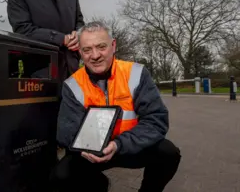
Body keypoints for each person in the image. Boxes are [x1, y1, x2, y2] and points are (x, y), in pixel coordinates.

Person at [51, 21, 181, 192]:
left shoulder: (136, 73)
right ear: (80, 53)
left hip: (130, 146)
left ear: (113, 45)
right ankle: (99, 184)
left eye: (101, 47)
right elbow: (66, 133)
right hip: (91, 154)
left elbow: (156, 121)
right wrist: (86, 149)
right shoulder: (72, 84)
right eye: (87, 50)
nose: (95, 55)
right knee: (60, 176)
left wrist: (119, 144)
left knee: (168, 153)